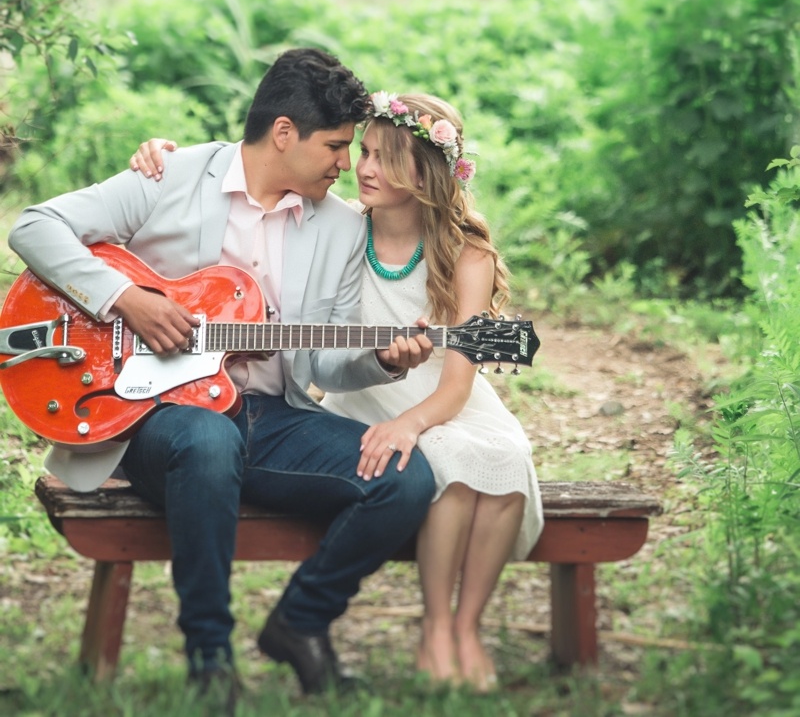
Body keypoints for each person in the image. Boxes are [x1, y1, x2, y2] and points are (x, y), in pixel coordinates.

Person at [9, 49, 436, 709]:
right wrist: (126, 298)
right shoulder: (171, 175)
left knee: (405, 480)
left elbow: (322, 363)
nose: (345, 163)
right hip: (155, 416)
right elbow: (36, 226)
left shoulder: (341, 227)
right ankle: (209, 656)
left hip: (268, 416)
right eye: (335, 145)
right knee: (208, 440)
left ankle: (300, 622)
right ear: (285, 133)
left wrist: (383, 360)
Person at [133, 89, 543, 692]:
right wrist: (165, 157)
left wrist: (404, 401)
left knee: (497, 460)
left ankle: (463, 629)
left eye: (382, 158)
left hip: (435, 395)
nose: (361, 167)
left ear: (425, 173)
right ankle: (430, 629)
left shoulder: (463, 252)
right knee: (441, 467)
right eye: (362, 152)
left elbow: (457, 380)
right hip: (361, 394)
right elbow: (250, 175)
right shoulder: (343, 223)